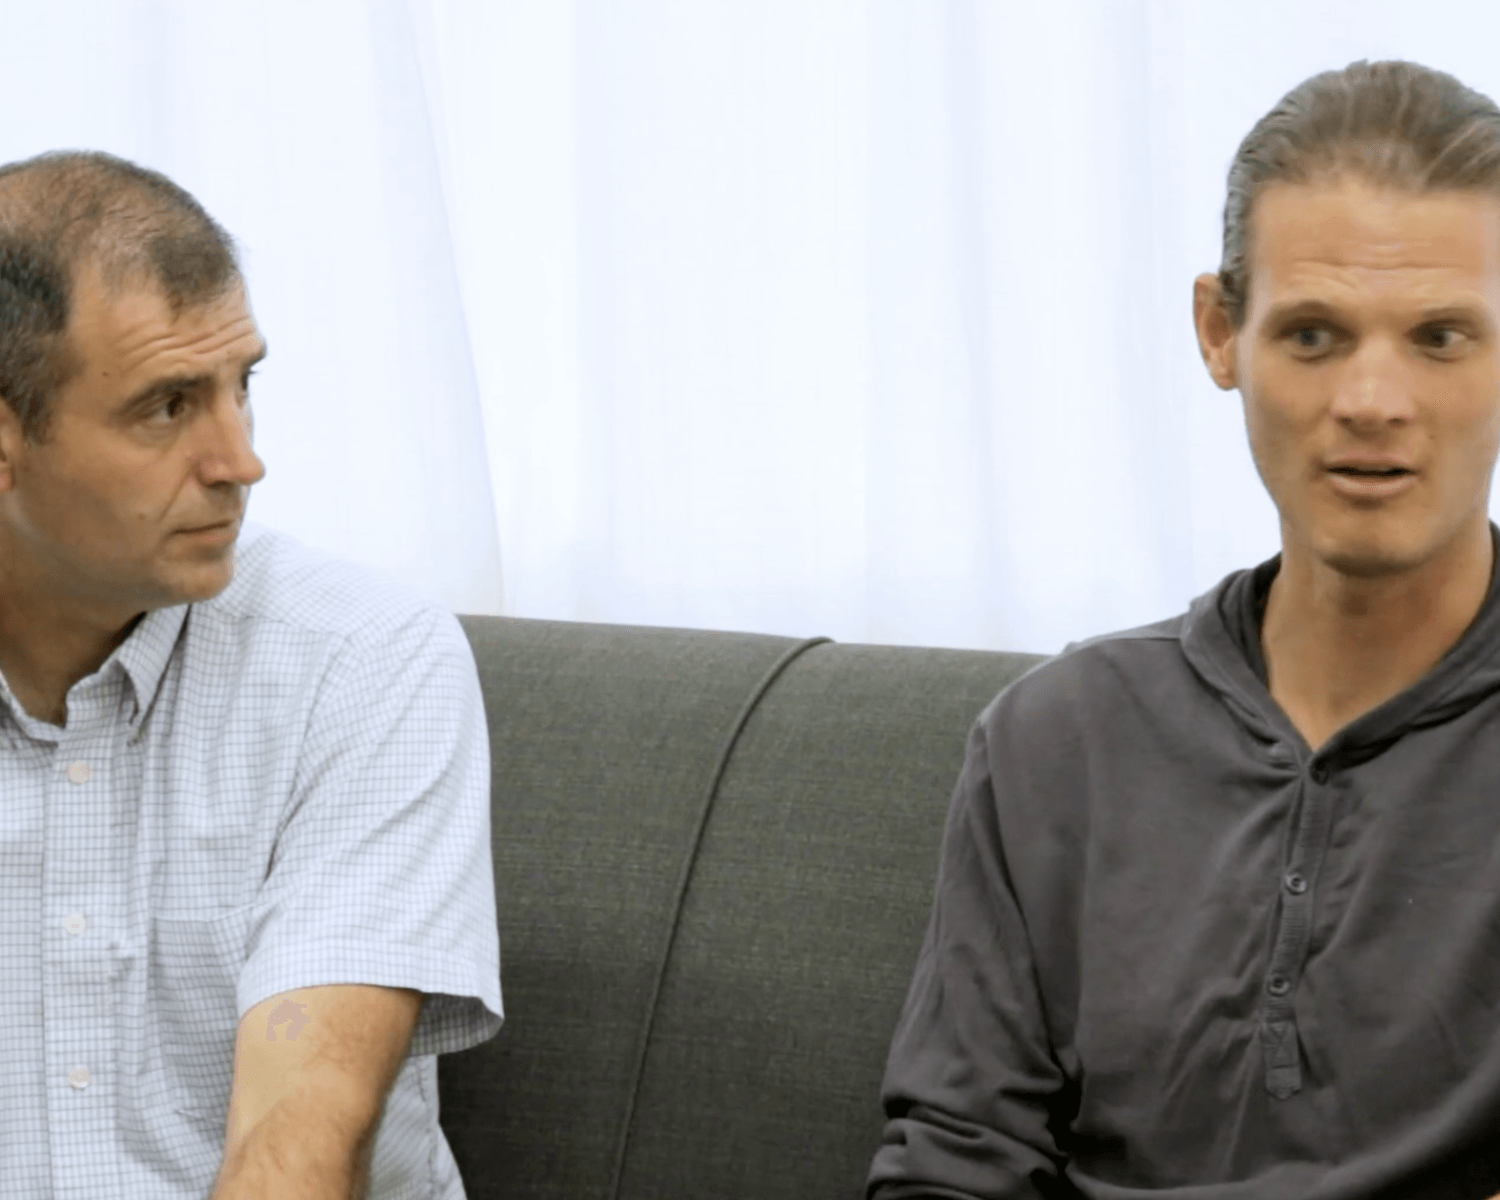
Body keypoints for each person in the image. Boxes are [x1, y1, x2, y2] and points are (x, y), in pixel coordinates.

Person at [868, 59, 1500, 1199]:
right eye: (1312, 335)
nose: (1372, 400)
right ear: (1220, 334)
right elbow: (952, 1165)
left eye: (1441, 338)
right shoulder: (1056, 740)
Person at [0, 151, 501, 1198]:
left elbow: (301, 1145)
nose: (240, 460)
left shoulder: (363, 661)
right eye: (167, 406)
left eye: (243, 387)